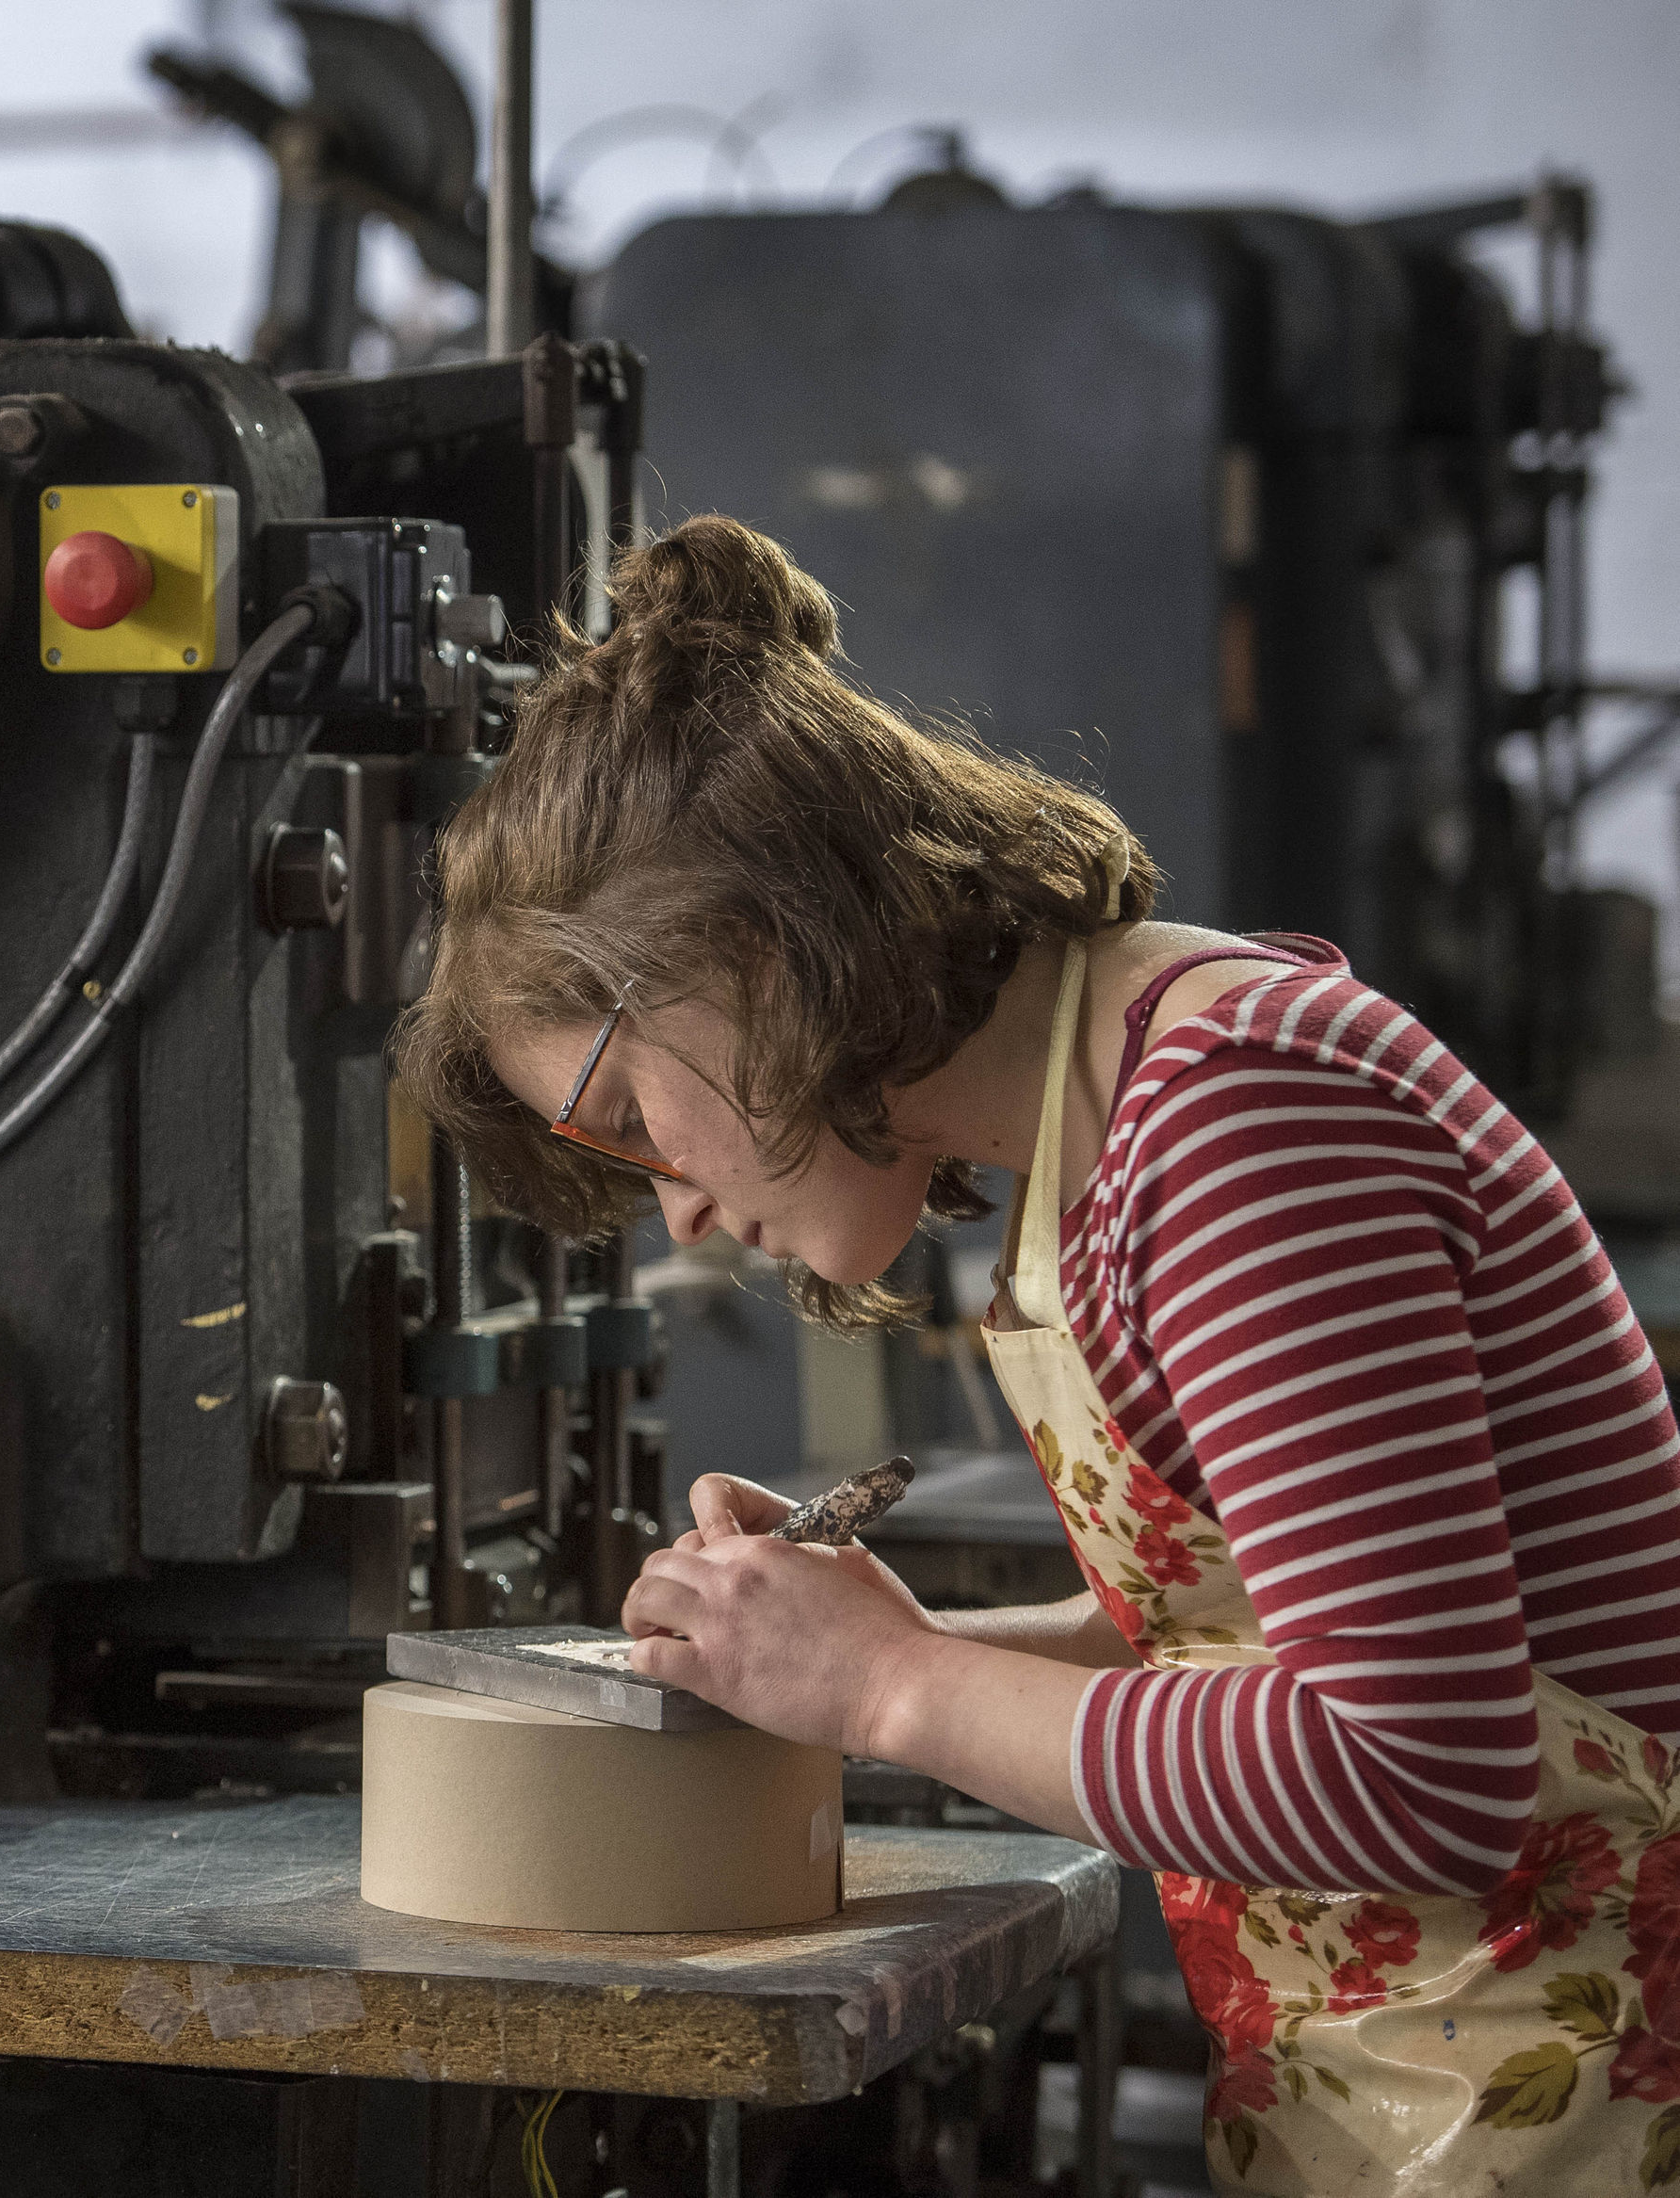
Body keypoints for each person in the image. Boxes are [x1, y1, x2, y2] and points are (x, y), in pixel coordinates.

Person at [396, 514, 1680, 2193]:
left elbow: (1412, 1771)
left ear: (755, 961)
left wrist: (892, 1686)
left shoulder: (1237, 1124)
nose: (683, 1216)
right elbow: (1234, 1641)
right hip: (1425, 2096)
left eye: (636, 1122)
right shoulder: (1121, 1125)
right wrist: (852, 1653)